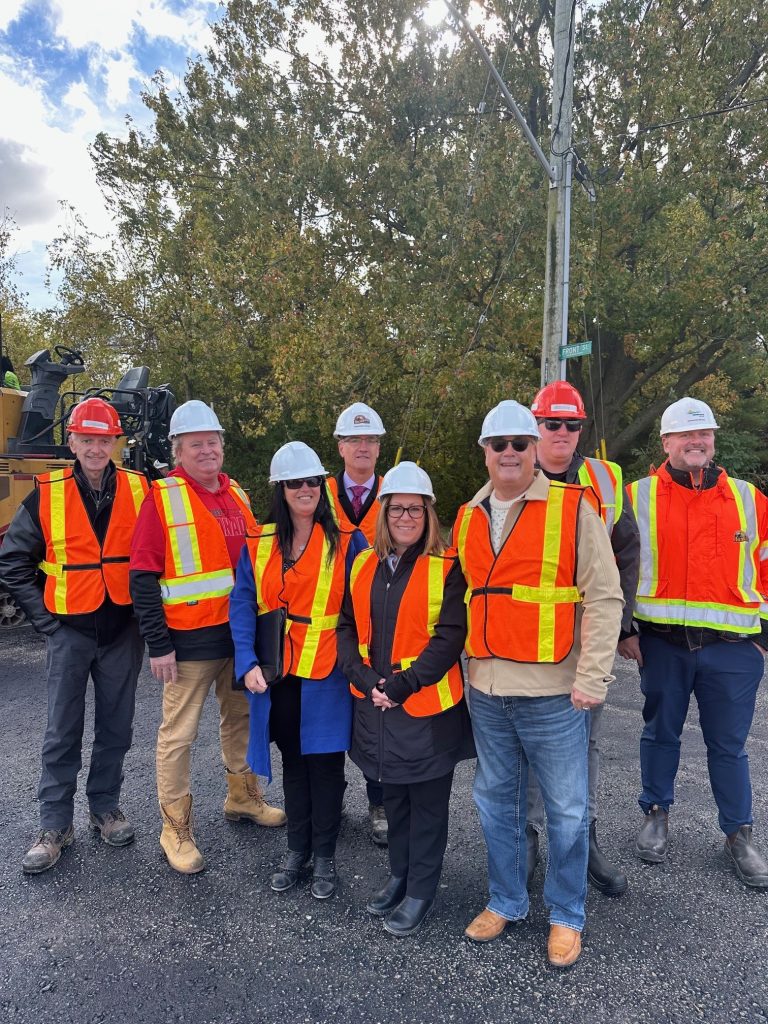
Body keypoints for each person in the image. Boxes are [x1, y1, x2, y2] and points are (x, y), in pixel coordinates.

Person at [454, 399, 623, 967]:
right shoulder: (468, 515)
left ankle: (565, 915)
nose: (508, 453)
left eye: (519, 444)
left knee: (568, 810)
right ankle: (505, 899)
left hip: (555, 692)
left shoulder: (574, 509)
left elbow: (604, 597)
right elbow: (464, 602)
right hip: (487, 689)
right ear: (484, 452)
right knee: (496, 804)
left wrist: (593, 676)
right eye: (497, 444)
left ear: (534, 449)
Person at [129, 399, 285, 875]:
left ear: (222, 444)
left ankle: (241, 797)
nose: (206, 450)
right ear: (178, 449)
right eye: (195, 443)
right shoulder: (163, 497)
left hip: (237, 640)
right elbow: (142, 575)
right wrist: (158, 644)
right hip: (188, 641)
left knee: (239, 720)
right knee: (178, 735)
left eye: (212, 441)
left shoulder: (235, 492)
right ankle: (174, 828)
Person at [621, 397, 768, 888]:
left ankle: (739, 834)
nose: (696, 442)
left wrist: (762, 639)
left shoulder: (749, 499)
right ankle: (656, 814)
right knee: (660, 732)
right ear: (665, 442)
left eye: (703, 433)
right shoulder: (635, 497)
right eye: (685, 435)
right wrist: (625, 629)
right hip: (662, 646)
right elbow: (615, 569)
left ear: (713, 440)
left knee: (729, 745)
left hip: (733, 649)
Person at [0, 397, 147, 873]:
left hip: (122, 629)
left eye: (104, 439)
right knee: (61, 731)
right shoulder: (47, 491)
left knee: (116, 727)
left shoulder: (141, 490)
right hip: (69, 629)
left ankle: (105, 809)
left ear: (114, 443)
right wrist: (46, 623)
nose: (96, 447)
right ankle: (54, 825)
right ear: (72, 442)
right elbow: (13, 562)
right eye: (87, 439)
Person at [337, 462, 474, 937]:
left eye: (415, 509)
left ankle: (421, 890)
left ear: (429, 514)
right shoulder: (362, 563)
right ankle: (399, 875)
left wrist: (401, 685)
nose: (405, 517)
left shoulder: (446, 566)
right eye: (397, 508)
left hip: (425, 709)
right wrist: (363, 675)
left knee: (428, 805)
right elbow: (345, 627)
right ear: (384, 513)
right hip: (375, 706)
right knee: (392, 796)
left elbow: (449, 637)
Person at [230, 441, 368, 899]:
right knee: (293, 763)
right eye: (295, 483)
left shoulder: (348, 541)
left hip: (327, 671)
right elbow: (243, 604)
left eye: (312, 481)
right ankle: (297, 851)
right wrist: (246, 661)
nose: (305, 489)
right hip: (278, 675)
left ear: (322, 487)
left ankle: (324, 856)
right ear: (281, 489)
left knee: (325, 765)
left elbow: (367, 606)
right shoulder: (260, 541)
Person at [524, 380, 640, 897]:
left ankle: (583, 840)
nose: (563, 433)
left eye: (573, 425)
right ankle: (525, 842)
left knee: (585, 746)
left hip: (584, 643)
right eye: (554, 423)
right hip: (525, 646)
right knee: (526, 749)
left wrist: (622, 626)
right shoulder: (511, 472)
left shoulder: (604, 480)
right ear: (535, 427)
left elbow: (628, 554)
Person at [326, 401, 389, 846]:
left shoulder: (396, 491)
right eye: (354, 439)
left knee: (378, 716)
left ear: (379, 447)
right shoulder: (318, 490)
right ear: (341, 447)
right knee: (329, 717)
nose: (362, 447)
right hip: (327, 626)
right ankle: (330, 800)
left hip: (381, 624)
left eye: (370, 440)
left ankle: (380, 802)